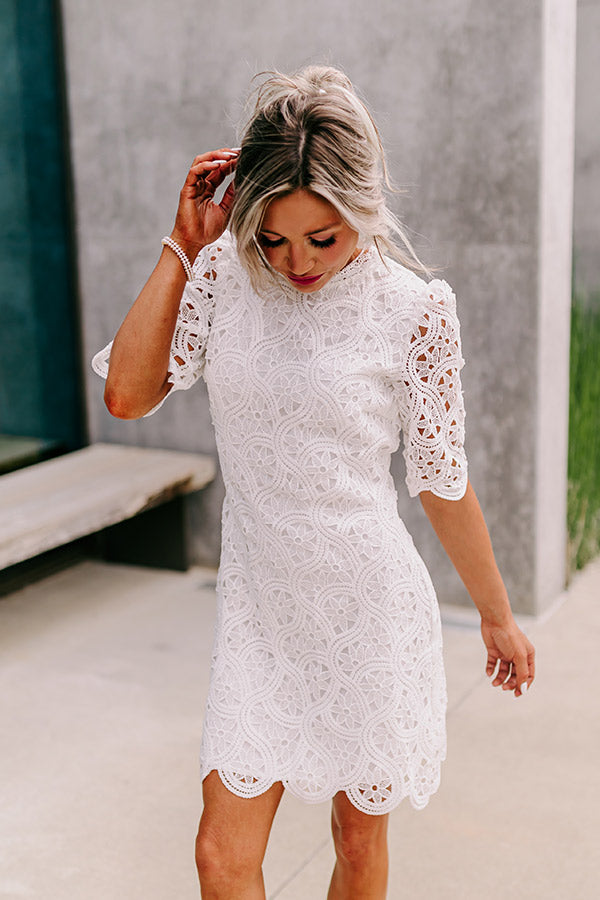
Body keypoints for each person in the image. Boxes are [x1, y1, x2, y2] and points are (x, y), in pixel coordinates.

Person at [92, 65, 536, 900]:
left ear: (362, 209)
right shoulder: (223, 276)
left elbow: (442, 482)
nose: (295, 261)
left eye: (323, 239)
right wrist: (184, 246)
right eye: (272, 238)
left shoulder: (413, 311)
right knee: (220, 856)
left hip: (367, 609)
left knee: (357, 843)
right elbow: (127, 395)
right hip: (259, 614)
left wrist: (496, 615)